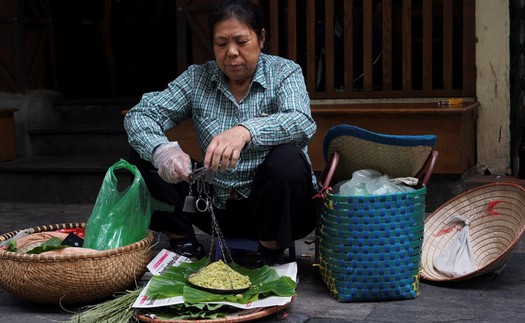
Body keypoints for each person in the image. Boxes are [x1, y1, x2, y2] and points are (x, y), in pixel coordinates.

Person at [124, 0, 318, 266]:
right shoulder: (198, 78)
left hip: (278, 210)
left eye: (241, 41)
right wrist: (163, 152)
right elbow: (140, 114)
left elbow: (301, 121)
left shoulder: (284, 72)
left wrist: (245, 131)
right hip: (216, 207)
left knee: (288, 159)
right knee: (142, 152)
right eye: (221, 43)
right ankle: (183, 241)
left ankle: (270, 250)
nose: (232, 53)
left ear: (261, 38)